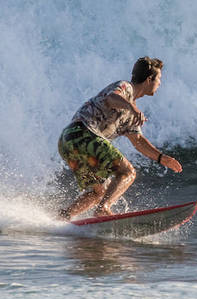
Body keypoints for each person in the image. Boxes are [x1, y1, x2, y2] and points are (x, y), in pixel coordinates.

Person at [56, 57, 183, 219]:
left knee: (99, 192)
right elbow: (111, 98)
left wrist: (161, 158)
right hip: (84, 133)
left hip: (68, 143)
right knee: (127, 172)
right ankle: (104, 209)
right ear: (149, 79)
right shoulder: (126, 87)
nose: (160, 84)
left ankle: (63, 217)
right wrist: (131, 107)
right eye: (159, 79)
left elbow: (138, 141)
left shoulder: (130, 112)